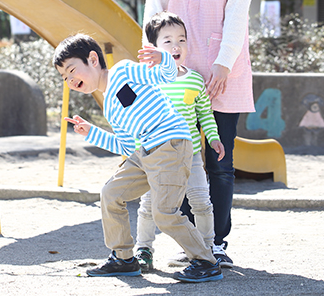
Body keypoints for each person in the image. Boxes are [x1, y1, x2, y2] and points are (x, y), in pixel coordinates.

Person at [143, 0, 255, 268]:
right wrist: (154, 58)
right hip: (174, 73)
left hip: (225, 70)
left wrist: (224, 65)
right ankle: (194, 240)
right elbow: (154, 5)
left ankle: (217, 243)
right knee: (179, 158)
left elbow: (239, 10)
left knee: (219, 162)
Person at [53, 33, 223, 283]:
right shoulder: (109, 105)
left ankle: (206, 262)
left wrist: (164, 57)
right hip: (144, 153)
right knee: (111, 194)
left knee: (164, 213)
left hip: (169, 145)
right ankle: (123, 258)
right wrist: (93, 133)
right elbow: (125, 144)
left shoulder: (123, 72)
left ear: (92, 59)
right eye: (64, 77)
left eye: (71, 70)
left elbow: (165, 75)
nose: (69, 80)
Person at [133, 12, 225, 272]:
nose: (176, 46)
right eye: (168, 41)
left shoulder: (195, 79)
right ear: (153, 48)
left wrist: (214, 139)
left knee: (201, 202)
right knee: (149, 205)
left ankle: (205, 249)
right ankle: (144, 249)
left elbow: (205, 115)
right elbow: (134, 113)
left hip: (192, 155)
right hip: (156, 156)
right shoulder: (146, 79)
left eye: (182, 40)